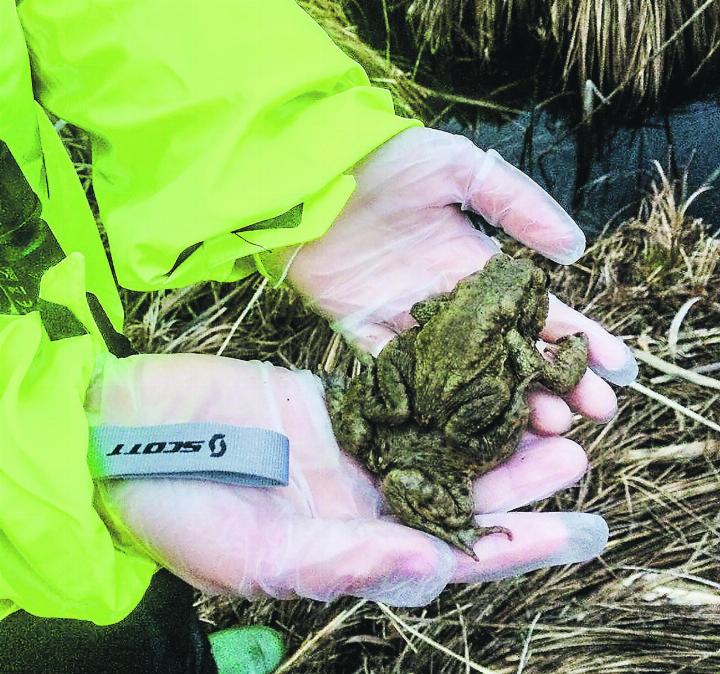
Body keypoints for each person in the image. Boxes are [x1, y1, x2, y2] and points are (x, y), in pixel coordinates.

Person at [0, 1, 637, 672]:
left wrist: (304, 159)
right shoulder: (509, 343)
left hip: (69, 366)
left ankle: (180, 658)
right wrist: (42, 455)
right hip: (437, 424)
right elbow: (550, 372)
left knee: (136, 613)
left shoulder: (483, 328)